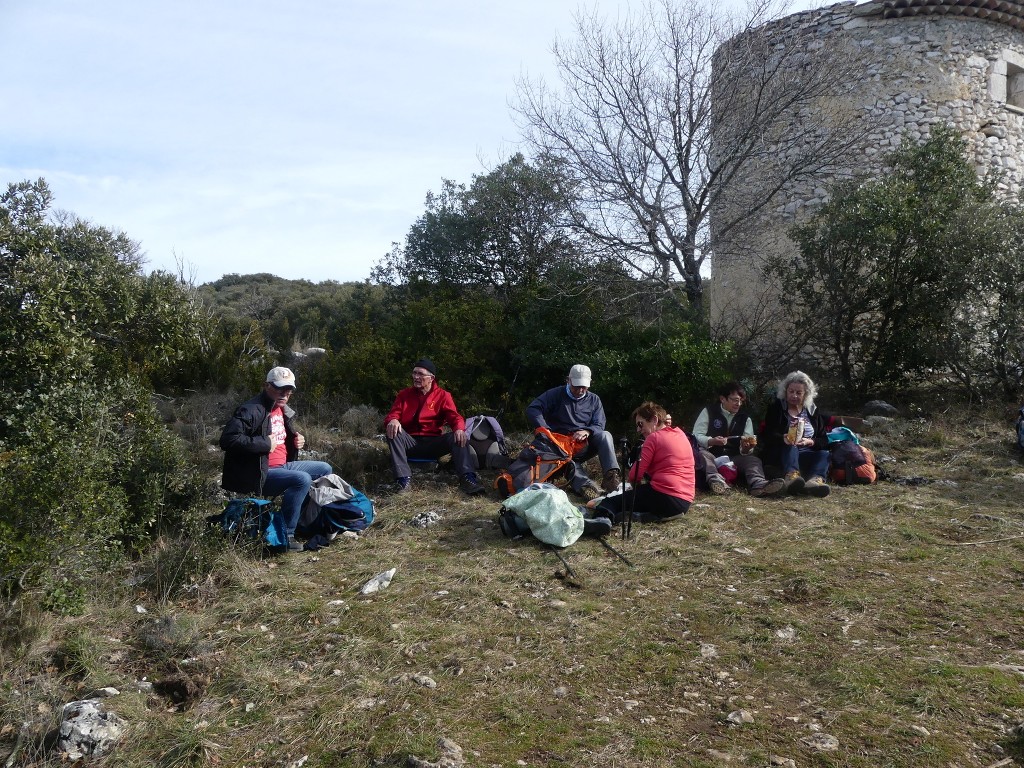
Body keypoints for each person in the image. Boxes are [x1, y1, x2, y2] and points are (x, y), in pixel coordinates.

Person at [220, 367, 333, 551]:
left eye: (289, 389)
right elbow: (228, 439)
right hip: (259, 473)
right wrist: (263, 443)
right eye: (280, 388)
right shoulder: (251, 410)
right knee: (302, 479)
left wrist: (297, 441)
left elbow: (281, 439)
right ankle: (286, 535)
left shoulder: (282, 410)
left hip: (282, 466)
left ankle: (304, 523)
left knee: (324, 469)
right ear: (266, 386)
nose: (285, 393)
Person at [385, 358, 485, 496]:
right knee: (393, 431)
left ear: (431, 378)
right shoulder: (404, 395)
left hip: (433, 443)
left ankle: (468, 479)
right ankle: (403, 480)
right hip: (410, 442)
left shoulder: (443, 396)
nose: (416, 377)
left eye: (420, 374)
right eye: (414, 373)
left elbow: (454, 417)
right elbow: (392, 414)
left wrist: (459, 429)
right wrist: (393, 420)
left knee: (459, 436)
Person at [525, 364, 621, 500]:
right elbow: (533, 409)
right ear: (568, 380)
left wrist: (587, 431)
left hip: (584, 445)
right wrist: (546, 430)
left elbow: (599, 424)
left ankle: (611, 479)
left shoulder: (594, 400)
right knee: (569, 464)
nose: (581, 390)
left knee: (605, 435)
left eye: (584, 386)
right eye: (577, 386)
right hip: (559, 448)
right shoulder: (555, 394)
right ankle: (589, 489)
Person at [596, 402, 694, 522]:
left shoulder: (653, 438)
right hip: (685, 502)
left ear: (654, 419)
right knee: (641, 498)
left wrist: (634, 488)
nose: (639, 430)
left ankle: (601, 520)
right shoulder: (680, 434)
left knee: (611, 502)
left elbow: (635, 474)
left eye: (640, 424)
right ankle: (650, 516)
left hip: (665, 495)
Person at [693, 382, 786, 498]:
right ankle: (716, 481)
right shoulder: (709, 411)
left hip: (734, 456)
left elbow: (747, 444)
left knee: (753, 460)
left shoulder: (745, 418)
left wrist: (747, 448)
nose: (738, 404)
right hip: (711, 453)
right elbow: (696, 435)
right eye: (735, 400)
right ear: (722, 399)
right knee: (702, 454)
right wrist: (711, 441)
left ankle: (759, 484)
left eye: (741, 401)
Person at [759, 370, 832, 497]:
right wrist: (783, 438)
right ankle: (791, 477)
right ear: (785, 391)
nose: (794, 396)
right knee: (791, 445)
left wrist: (811, 441)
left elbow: (824, 440)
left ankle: (816, 481)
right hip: (782, 454)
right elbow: (767, 435)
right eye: (791, 391)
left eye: (799, 393)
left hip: (805, 452)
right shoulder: (777, 409)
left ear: (806, 394)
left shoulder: (812, 411)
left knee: (824, 454)